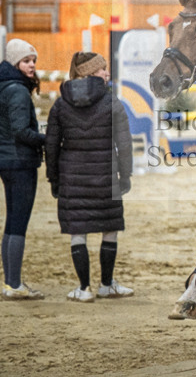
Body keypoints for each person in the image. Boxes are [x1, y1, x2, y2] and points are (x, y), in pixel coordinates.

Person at [44, 52, 134, 302]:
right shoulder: (111, 102)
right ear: (90, 73)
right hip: (106, 176)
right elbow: (124, 144)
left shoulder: (60, 104)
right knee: (110, 229)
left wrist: (54, 180)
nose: (107, 73)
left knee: (78, 232)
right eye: (102, 69)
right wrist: (125, 175)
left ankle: (84, 289)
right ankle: (106, 284)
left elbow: (51, 145)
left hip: (72, 178)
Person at [0, 38, 46, 300]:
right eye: (26, 61)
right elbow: (22, 131)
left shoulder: (0, 89)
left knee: (11, 224)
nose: (31, 65)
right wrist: (48, 138)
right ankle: (14, 284)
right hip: (21, 162)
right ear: (14, 62)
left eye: (33, 61)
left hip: (6, 161)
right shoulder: (18, 91)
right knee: (18, 224)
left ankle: (10, 282)